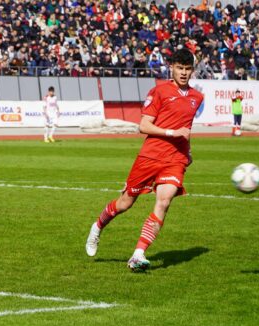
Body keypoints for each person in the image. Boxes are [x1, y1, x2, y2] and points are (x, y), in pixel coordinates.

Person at [84, 48, 203, 272]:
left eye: (188, 69)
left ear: (192, 70)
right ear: (172, 68)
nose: (184, 73)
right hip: (150, 155)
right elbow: (144, 126)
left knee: (164, 201)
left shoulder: (197, 98)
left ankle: (138, 254)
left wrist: (186, 152)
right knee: (125, 203)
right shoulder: (159, 91)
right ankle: (97, 226)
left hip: (175, 159)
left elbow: (184, 128)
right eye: (180, 68)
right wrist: (172, 133)